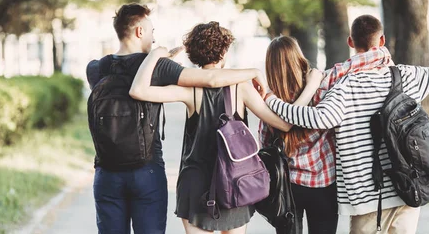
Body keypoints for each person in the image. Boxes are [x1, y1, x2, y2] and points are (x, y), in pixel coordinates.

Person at [264, 14, 429, 234]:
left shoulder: (343, 85)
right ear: (382, 40)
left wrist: (273, 102)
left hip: (366, 198)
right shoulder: (408, 76)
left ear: (350, 42)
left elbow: (317, 119)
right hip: (408, 189)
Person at [87, 4, 268, 234]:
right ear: (140, 32)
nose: (154, 38)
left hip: (107, 172)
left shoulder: (95, 68)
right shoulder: (160, 67)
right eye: (152, 31)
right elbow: (211, 78)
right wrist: (253, 72)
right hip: (146, 171)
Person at [129, 21, 318, 234]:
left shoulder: (190, 90)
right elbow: (284, 124)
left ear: (194, 53)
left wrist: (155, 55)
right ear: (225, 50)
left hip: (196, 185)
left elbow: (138, 90)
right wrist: (311, 87)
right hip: (235, 183)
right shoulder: (241, 87)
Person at [259, 36, 393, 234]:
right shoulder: (322, 88)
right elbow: (352, 65)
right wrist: (381, 51)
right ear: (299, 58)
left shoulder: (270, 103)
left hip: (287, 188)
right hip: (324, 184)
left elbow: (265, 145)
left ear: (270, 67)